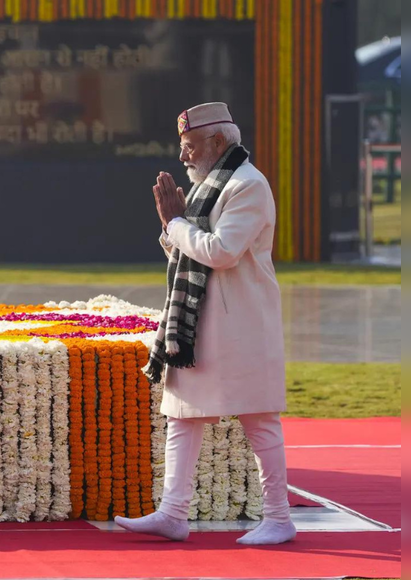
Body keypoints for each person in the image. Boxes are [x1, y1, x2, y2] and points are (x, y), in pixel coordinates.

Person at [115, 103, 294, 545]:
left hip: (243, 323)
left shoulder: (248, 185)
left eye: (190, 146)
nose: (183, 156)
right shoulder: (208, 186)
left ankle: (279, 518)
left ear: (217, 141)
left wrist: (175, 223)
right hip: (198, 324)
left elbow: (221, 252)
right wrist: (172, 228)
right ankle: (172, 514)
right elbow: (184, 254)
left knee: (259, 418)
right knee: (182, 416)